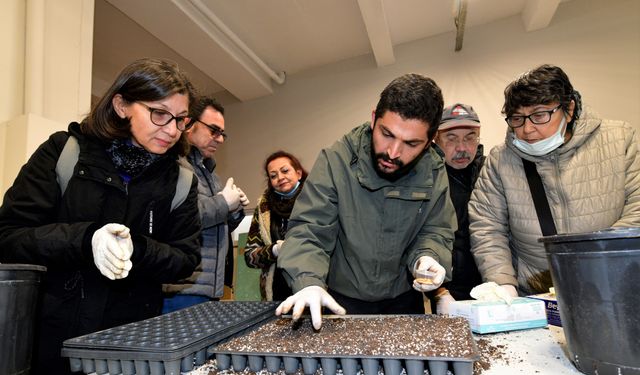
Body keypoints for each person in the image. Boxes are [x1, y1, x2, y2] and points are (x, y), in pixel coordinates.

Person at [0, 58, 202, 374]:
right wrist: (86, 238)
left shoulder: (180, 180)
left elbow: (185, 258)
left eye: (181, 119)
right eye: (159, 114)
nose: (172, 130)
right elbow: (10, 235)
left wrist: (138, 247)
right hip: (50, 342)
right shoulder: (63, 152)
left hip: (130, 346)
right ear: (121, 105)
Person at [275, 73, 456, 329]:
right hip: (340, 301)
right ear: (373, 119)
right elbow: (309, 230)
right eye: (387, 134)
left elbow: (436, 229)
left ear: (429, 142)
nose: (393, 153)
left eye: (411, 143)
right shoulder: (335, 160)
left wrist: (427, 257)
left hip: (404, 301)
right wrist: (309, 281)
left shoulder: (434, 169)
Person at [469, 64, 640, 297]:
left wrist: (597, 265)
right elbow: (487, 226)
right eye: (517, 119)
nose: (527, 129)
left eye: (539, 115)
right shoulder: (501, 159)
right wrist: (502, 284)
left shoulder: (619, 139)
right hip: (535, 290)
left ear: (568, 109)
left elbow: (637, 208)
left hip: (614, 281)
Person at [162, 96, 249, 313]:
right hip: (182, 289)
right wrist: (222, 203)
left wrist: (234, 212)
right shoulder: (173, 165)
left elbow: (213, 224)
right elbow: (179, 219)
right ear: (189, 125)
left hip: (208, 288)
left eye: (222, 134)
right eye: (213, 130)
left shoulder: (210, 174)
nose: (219, 139)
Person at [430, 103, 485, 314]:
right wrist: (439, 293)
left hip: (495, 287)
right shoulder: (427, 181)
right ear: (436, 139)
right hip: (449, 292)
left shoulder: (492, 174)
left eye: (469, 137)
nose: (462, 147)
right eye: (451, 138)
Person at [244, 151, 308, 301]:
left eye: (285, 171)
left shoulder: (317, 199)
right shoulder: (263, 208)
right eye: (273, 175)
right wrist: (275, 250)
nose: (280, 177)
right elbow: (249, 257)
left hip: (314, 288)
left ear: (298, 173)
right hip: (276, 293)